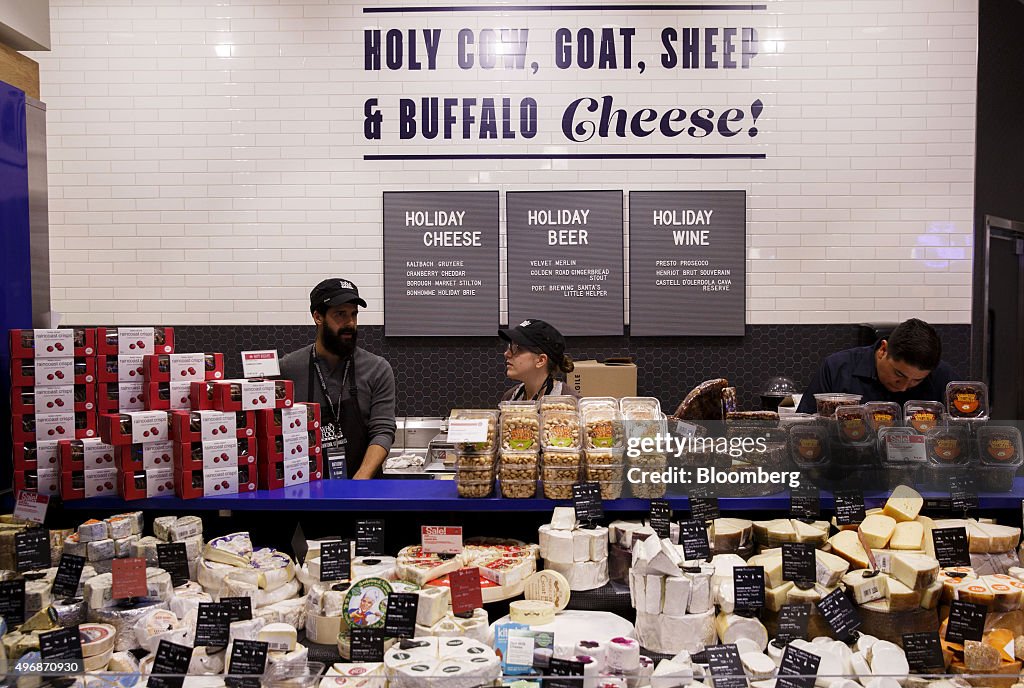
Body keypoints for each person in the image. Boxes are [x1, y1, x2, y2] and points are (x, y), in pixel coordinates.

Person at [280, 278, 396, 479]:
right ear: (318, 317)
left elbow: (383, 430)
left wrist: (359, 482)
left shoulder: (377, 369)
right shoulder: (287, 369)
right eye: (340, 314)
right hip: (305, 493)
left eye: (354, 314)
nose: (350, 323)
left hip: (362, 494)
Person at [795, 318, 957, 414]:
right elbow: (804, 427)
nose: (904, 387)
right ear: (883, 350)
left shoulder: (943, 377)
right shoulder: (838, 368)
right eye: (899, 375)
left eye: (916, 381)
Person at [499, 319, 578, 402]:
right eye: (509, 346)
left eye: (516, 348)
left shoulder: (570, 404)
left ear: (541, 360)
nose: (506, 353)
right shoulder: (509, 397)